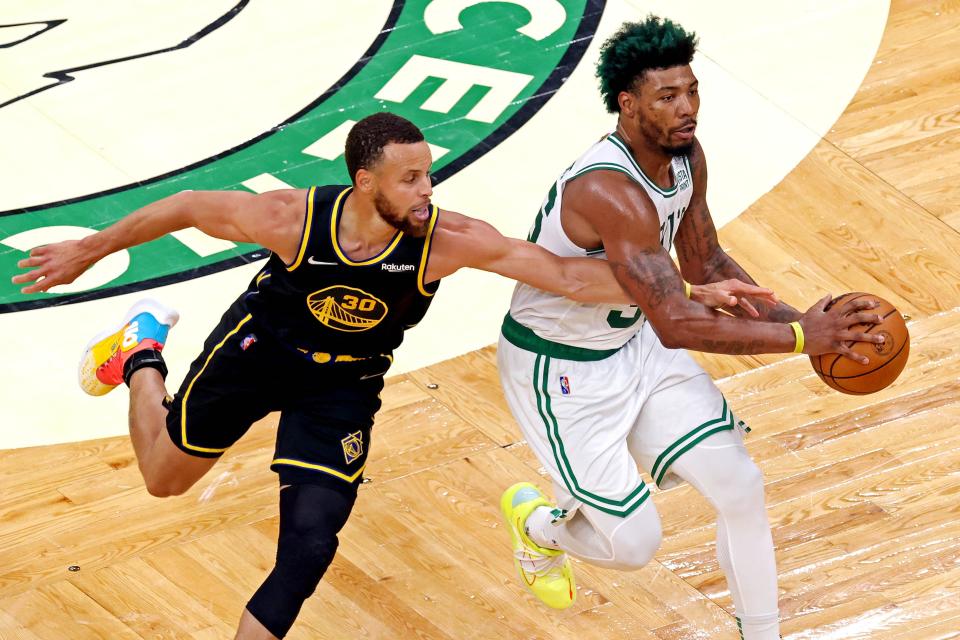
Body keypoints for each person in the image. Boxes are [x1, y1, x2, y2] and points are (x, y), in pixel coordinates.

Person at [12, 112, 771, 639]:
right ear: (363, 180)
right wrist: (93, 248)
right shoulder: (288, 219)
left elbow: (567, 278)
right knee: (162, 479)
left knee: (308, 548)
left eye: (428, 177)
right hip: (261, 351)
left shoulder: (446, 239)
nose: (426, 192)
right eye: (408, 180)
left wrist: (686, 289)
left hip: (342, 389)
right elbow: (184, 205)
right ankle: (142, 351)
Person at [495, 16, 886, 640]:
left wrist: (812, 322)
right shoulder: (609, 190)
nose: (687, 109)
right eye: (667, 97)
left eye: (692, 91)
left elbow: (704, 263)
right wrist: (803, 339)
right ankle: (539, 529)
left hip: (635, 341)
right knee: (635, 543)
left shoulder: (685, 157)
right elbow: (676, 319)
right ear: (627, 105)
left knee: (741, 485)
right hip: (560, 369)